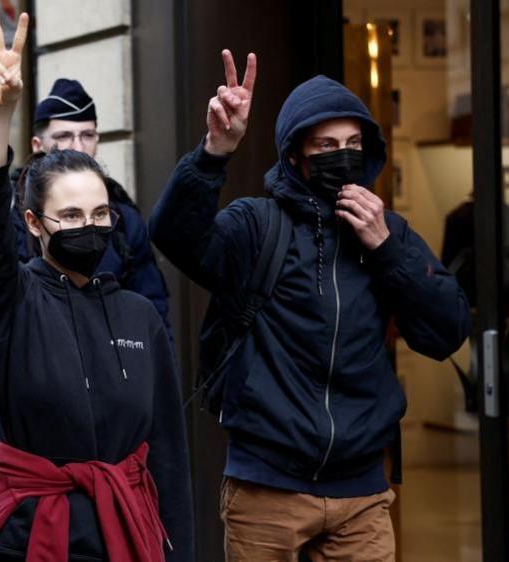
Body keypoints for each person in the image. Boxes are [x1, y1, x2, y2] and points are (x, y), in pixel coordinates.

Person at [150, 52, 471, 561]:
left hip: (363, 493)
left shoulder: (392, 234)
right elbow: (173, 235)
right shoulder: (257, 226)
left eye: (352, 145)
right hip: (265, 489)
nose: (341, 157)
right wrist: (215, 150)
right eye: (325, 146)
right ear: (297, 154)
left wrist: (386, 249)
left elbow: (448, 329)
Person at [0, 8, 192, 561]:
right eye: (72, 215)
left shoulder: (139, 316)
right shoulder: (9, 303)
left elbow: (170, 465)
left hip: (125, 534)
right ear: (34, 224)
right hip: (31, 534)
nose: (90, 227)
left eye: (101, 213)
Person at [0, 78, 171, 478]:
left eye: (88, 134)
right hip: (21, 425)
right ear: (38, 144)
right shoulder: (1, 228)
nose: (77, 146)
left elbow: (154, 325)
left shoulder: (123, 221)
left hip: (108, 436)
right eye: (64, 135)